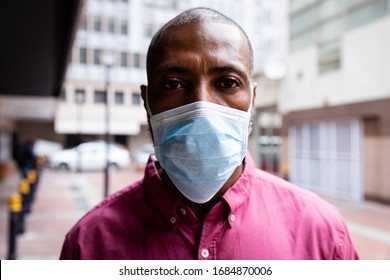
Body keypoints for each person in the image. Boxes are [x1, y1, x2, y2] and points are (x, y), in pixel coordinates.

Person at [60, 7, 359, 260]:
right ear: (147, 100)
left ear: (252, 99)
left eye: (227, 83)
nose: (201, 106)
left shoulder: (323, 234)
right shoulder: (89, 243)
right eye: (174, 83)